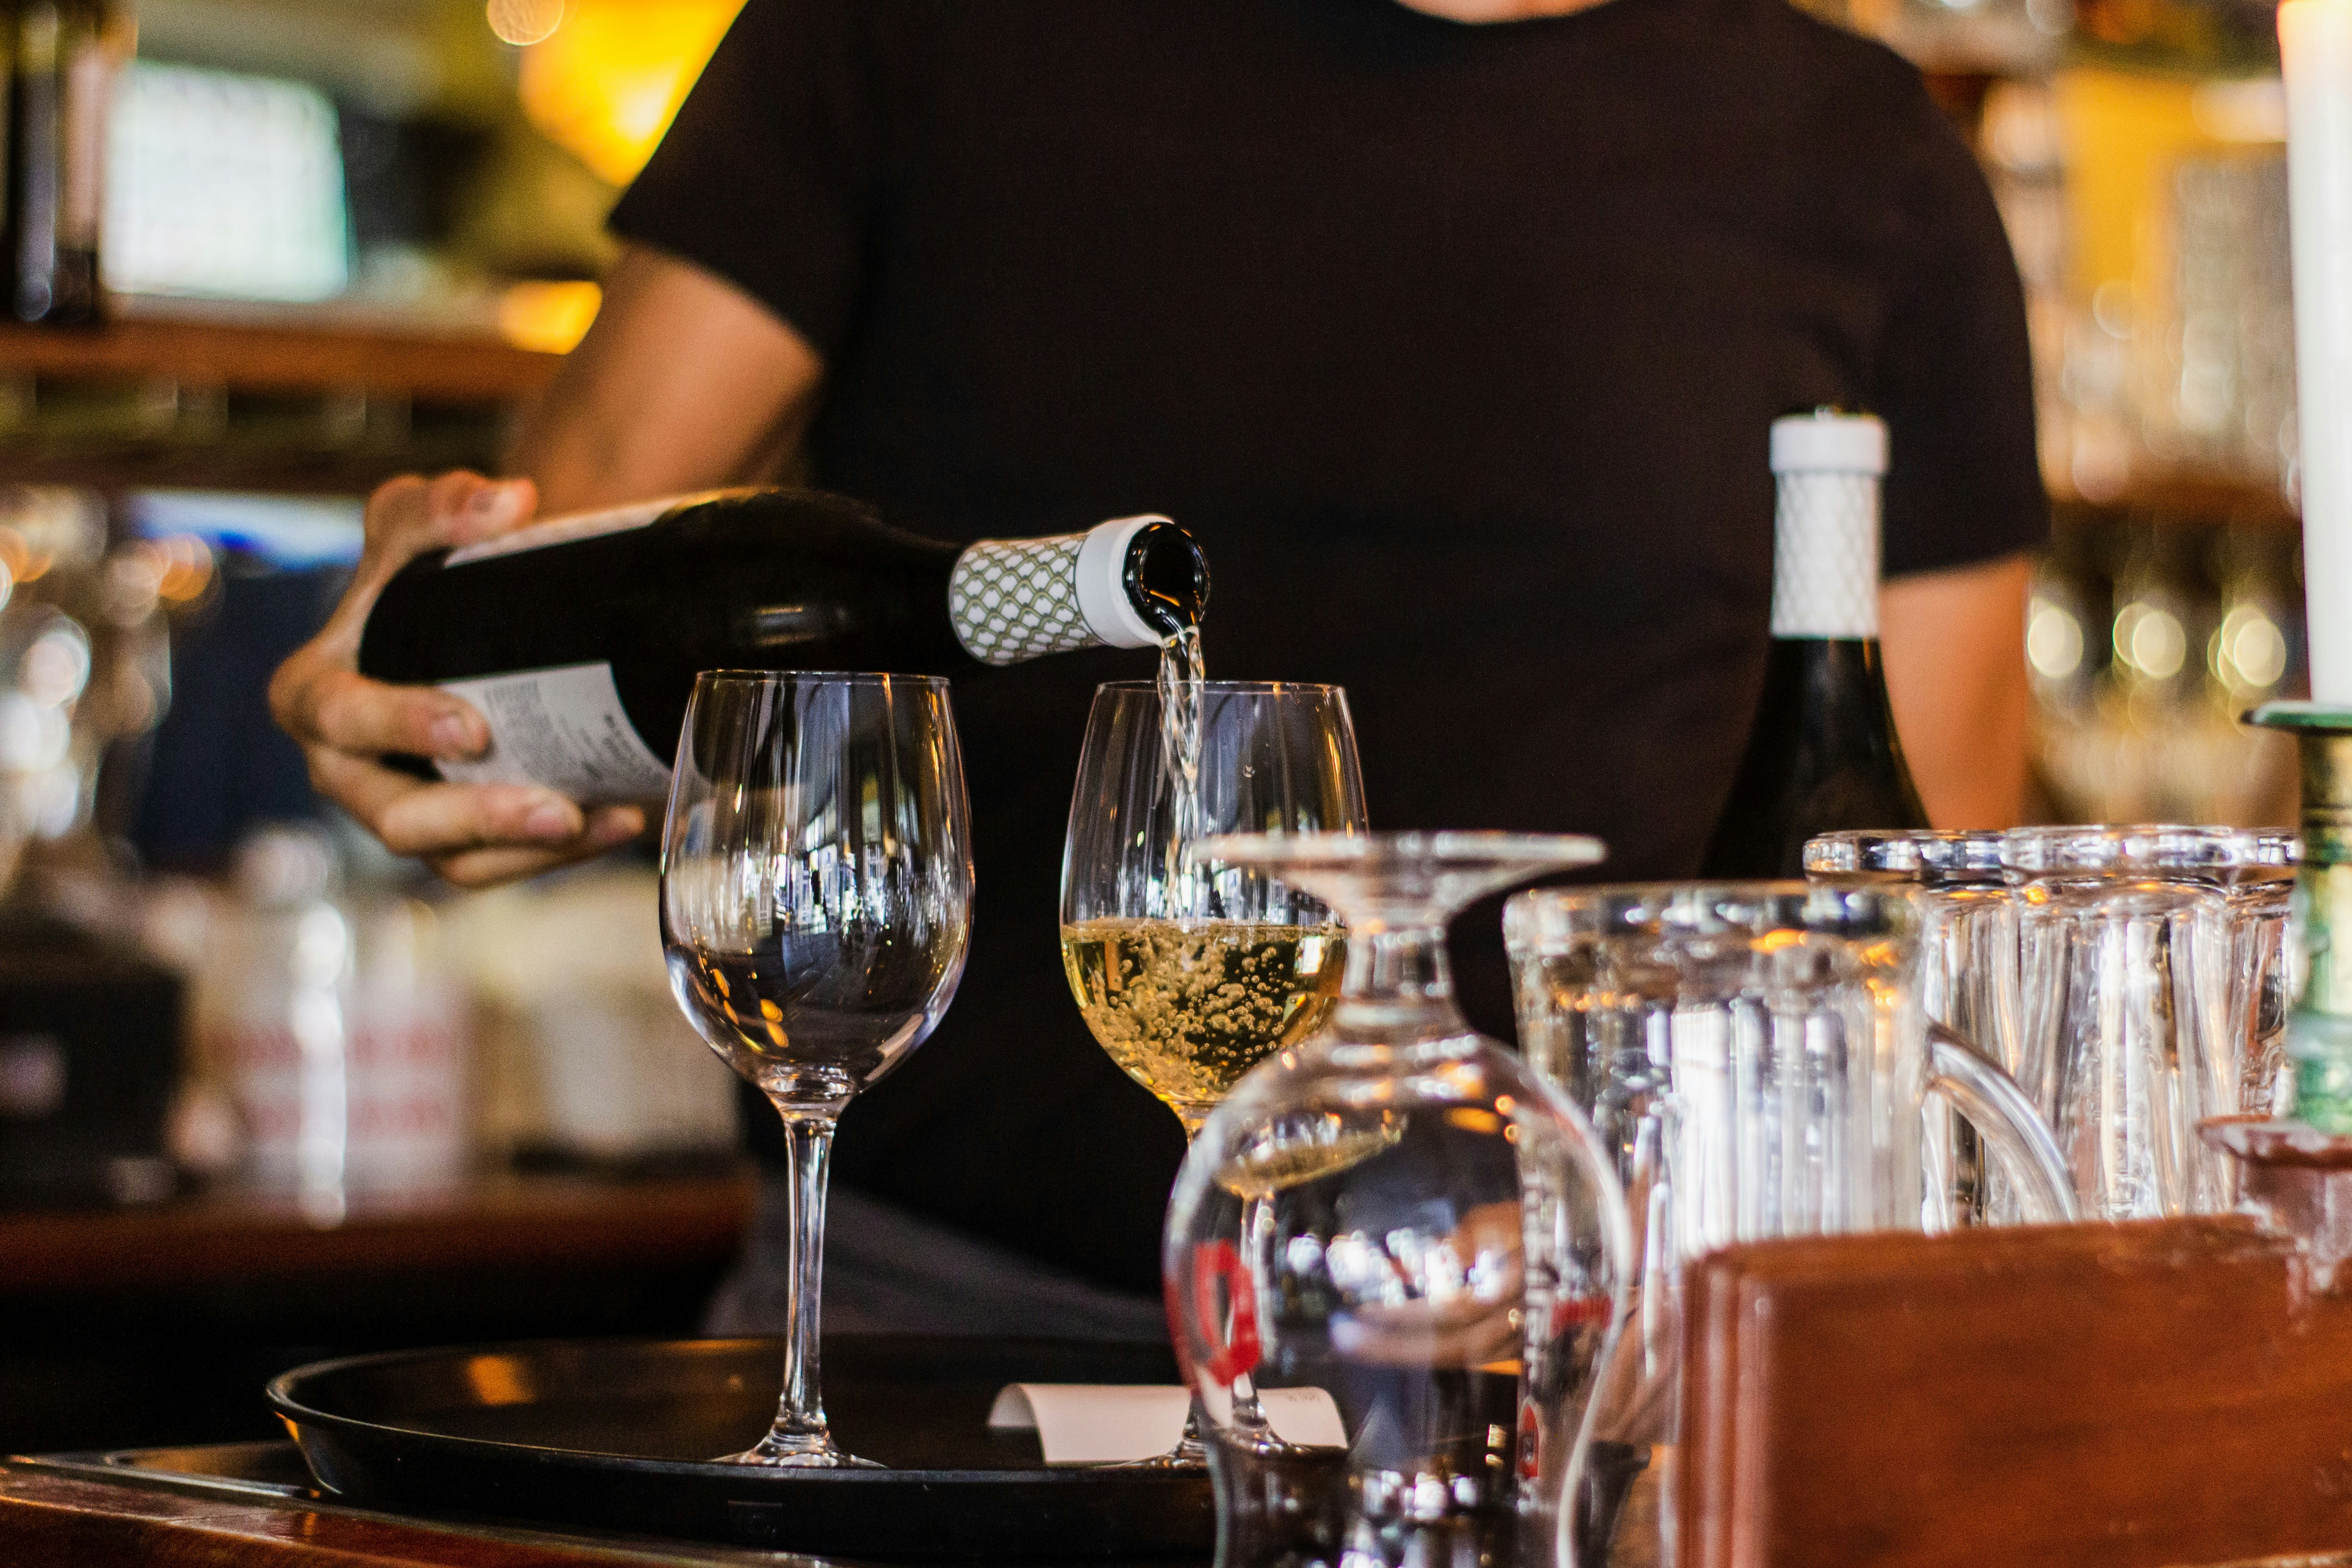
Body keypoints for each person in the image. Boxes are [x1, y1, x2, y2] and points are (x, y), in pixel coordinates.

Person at [271, 0, 2043, 1333]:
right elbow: (579, 580)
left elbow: (1921, 890)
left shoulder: (1858, 159)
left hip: (1572, 1358)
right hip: (929, 1340)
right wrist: (431, 701)